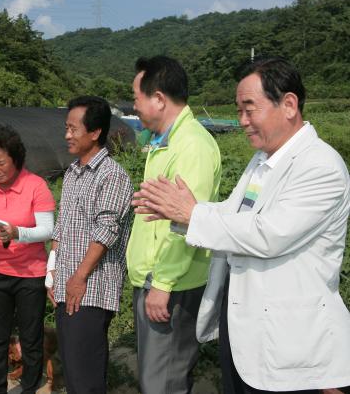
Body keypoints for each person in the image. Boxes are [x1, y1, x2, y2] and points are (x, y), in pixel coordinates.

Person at [133, 57, 350, 393]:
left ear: (289, 104)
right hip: (246, 329)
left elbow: (268, 235)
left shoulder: (320, 167)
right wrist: (184, 212)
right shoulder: (262, 159)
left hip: (289, 342)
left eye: (250, 109)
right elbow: (234, 214)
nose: (242, 121)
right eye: (238, 111)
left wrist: (192, 214)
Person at [126, 56, 221, 394]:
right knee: (156, 378)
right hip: (157, 279)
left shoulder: (191, 145)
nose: (134, 106)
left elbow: (187, 222)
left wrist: (163, 284)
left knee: (163, 383)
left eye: (137, 97)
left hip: (171, 284)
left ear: (159, 98)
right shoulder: (164, 141)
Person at [47, 95, 133, 394]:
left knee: (85, 376)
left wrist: (79, 277)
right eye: (66, 127)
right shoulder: (72, 173)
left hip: (90, 288)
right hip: (67, 285)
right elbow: (62, 226)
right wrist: (52, 272)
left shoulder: (112, 175)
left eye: (73, 129)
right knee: (73, 370)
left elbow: (106, 230)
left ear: (95, 132)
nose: (67, 134)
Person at [0, 125, 55, 394]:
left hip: (30, 273)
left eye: (1, 163)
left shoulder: (35, 186)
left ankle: (29, 387)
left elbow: (48, 229)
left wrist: (19, 233)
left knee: (30, 337)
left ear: (16, 158)